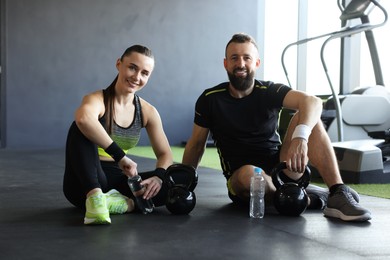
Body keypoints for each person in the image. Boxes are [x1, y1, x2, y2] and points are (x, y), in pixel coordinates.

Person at [182, 33, 371, 222]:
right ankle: (298, 197)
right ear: (226, 64)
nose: (241, 64)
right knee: (250, 173)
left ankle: (337, 193)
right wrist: (183, 186)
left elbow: (313, 101)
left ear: (256, 63)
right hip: (241, 179)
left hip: (281, 170)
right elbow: (197, 144)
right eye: (234, 58)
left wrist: (300, 137)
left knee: (307, 118)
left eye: (247, 58)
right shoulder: (210, 99)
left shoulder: (269, 91)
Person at [63, 45, 173, 225]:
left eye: (144, 73)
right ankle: (96, 198)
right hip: (84, 180)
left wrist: (159, 177)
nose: (137, 77)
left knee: (180, 180)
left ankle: (125, 204)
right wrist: (120, 156)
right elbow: (83, 119)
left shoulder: (147, 111)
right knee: (79, 126)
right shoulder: (97, 99)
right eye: (132, 67)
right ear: (118, 64)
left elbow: (165, 154)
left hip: (119, 182)